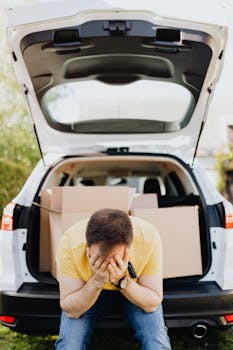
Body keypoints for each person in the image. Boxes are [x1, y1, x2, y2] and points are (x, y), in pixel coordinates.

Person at [55, 208, 172, 350]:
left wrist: (121, 280)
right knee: (69, 345)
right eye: (99, 259)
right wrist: (97, 281)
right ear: (87, 247)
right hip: (86, 291)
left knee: (158, 343)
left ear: (128, 249)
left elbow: (152, 303)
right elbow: (71, 309)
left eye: (114, 259)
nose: (107, 265)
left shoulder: (148, 237)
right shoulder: (71, 242)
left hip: (133, 290)